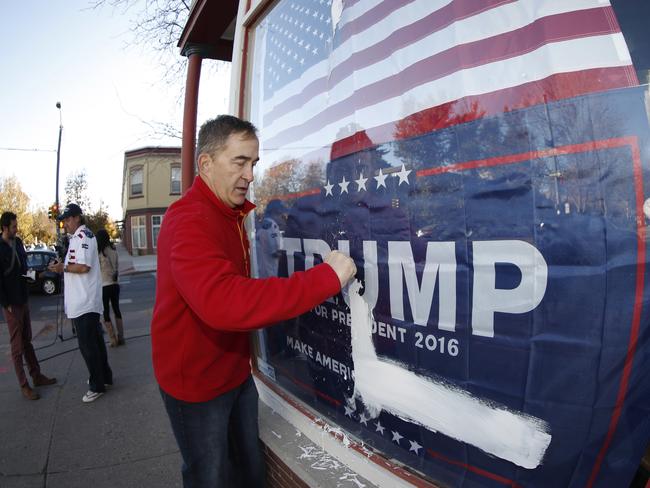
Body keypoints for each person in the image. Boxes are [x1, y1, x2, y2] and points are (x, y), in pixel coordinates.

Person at [151, 114, 356, 488]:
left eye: (254, 163)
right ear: (206, 164)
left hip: (233, 373)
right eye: (240, 162)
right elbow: (224, 302)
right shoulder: (189, 220)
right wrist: (325, 278)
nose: (250, 174)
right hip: (195, 386)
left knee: (247, 472)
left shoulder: (229, 215)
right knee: (209, 477)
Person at [49, 204, 113, 403]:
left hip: (84, 301)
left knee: (88, 346)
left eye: (68, 219)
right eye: (64, 220)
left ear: (77, 218)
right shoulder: (79, 237)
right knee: (96, 342)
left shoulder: (83, 236)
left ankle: (97, 385)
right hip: (84, 301)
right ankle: (104, 377)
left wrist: (63, 268)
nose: (65, 223)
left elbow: (84, 267)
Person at [0, 212, 57, 400]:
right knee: (17, 348)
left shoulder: (18, 244)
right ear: (5, 228)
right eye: (14, 226)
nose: (17, 229)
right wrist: (6, 304)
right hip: (11, 304)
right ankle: (24, 385)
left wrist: (41, 273)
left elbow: (23, 272)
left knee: (27, 342)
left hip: (23, 299)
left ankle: (37, 376)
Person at [96, 229, 125, 347]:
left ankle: (113, 339)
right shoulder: (114, 250)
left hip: (104, 286)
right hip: (115, 284)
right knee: (117, 309)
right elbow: (117, 266)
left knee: (106, 313)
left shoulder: (99, 253)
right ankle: (121, 336)